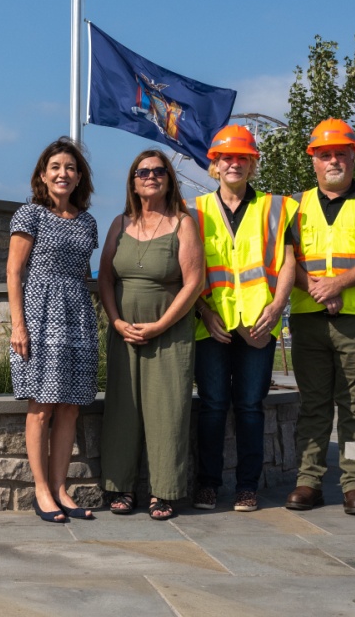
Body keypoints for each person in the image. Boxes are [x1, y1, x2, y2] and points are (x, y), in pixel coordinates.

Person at [284, 119, 355, 517]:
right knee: (313, 404)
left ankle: (354, 485)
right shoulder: (292, 207)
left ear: (354, 156)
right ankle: (308, 482)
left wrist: (338, 285)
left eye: (340, 152)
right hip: (309, 316)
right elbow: (284, 261)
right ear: (312, 159)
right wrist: (317, 288)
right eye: (324, 153)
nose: (333, 159)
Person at [191, 125, 296, 513]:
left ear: (252, 165)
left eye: (241, 158)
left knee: (251, 406)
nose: (233, 164)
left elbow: (288, 261)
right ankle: (208, 484)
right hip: (211, 323)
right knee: (214, 404)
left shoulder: (276, 207)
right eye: (225, 158)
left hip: (258, 323)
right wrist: (203, 309)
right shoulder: (194, 210)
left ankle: (247, 487)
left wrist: (278, 306)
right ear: (213, 166)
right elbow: (189, 268)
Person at [98, 150, 203, 520]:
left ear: (169, 179)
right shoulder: (119, 224)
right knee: (121, 411)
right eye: (142, 172)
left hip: (169, 333)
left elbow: (193, 283)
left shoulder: (183, 224)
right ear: (132, 181)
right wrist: (115, 320)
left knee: (168, 412)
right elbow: (106, 279)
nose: (150, 176)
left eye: (158, 171)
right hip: (124, 332)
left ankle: (165, 492)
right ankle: (120, 487)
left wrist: (160, 325)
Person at [6, 139, 100, 523]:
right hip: (40, 314)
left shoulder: (88, 222)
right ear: (43, 175)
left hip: (77, 313)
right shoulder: (30, 214)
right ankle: (41, 490)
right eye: (56, 167)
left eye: (71, 168)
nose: (64, 173)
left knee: (70, 406)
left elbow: (84, 274)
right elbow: (14, 271)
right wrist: (18, 324)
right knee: (41, 406)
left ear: (79, 177)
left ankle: (61, 488)